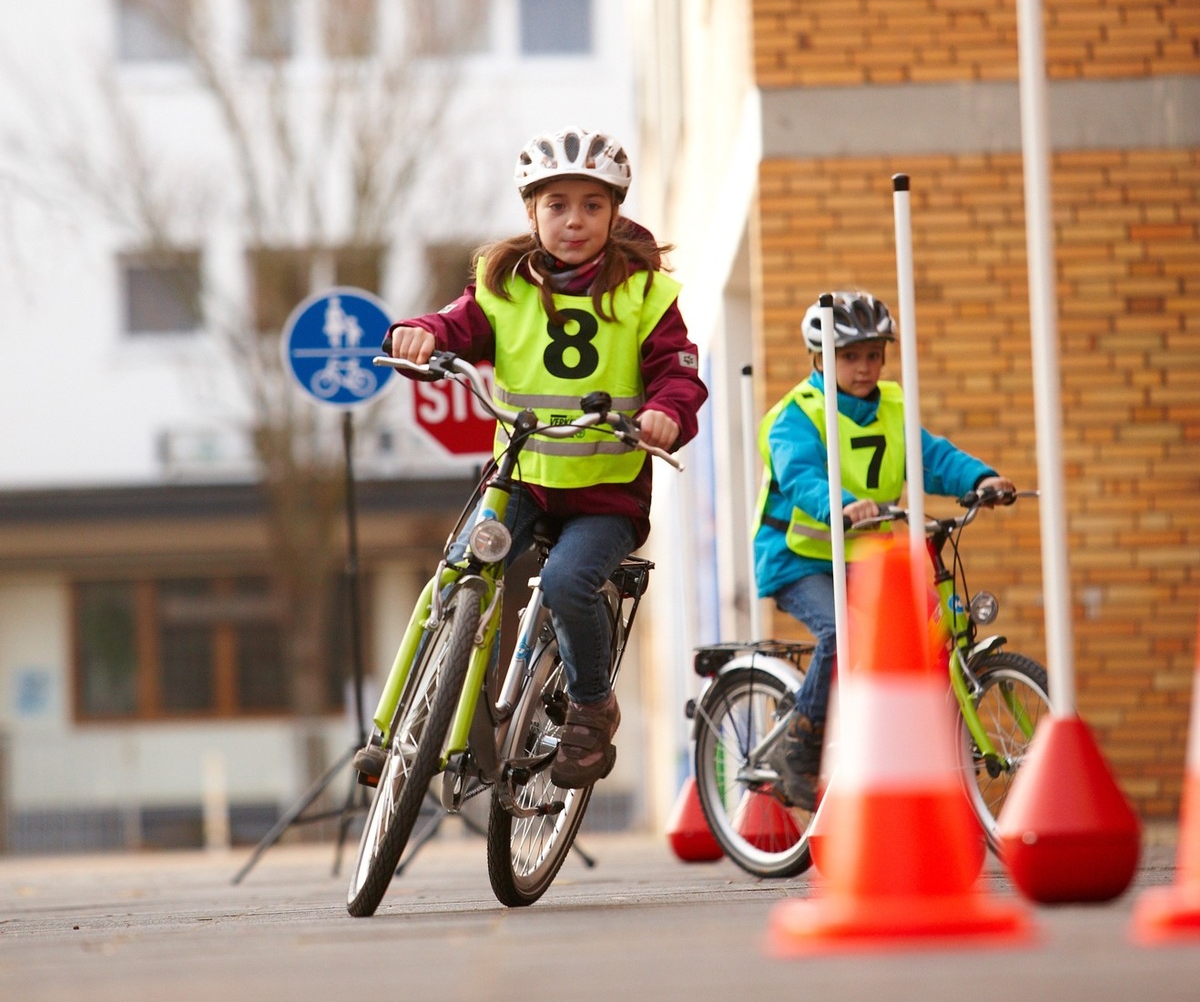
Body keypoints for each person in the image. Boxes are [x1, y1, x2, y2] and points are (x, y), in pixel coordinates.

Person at [356, 126, 707, 790]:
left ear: (614, 211)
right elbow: (457, 323)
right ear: (531, 213)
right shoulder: (504, 283)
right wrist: (422, 334)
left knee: (570, 583)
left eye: (592, 205)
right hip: (521, 479)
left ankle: (591, 704)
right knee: (460, 568)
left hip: (605, 492)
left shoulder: (646, 294)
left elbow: (678, 373)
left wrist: (666, 410)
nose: (574, 219)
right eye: (557, 205)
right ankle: (405, 721)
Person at [753, 290, 1014, 809]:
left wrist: (982, 478)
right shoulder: (796, 416)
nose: (865, 367)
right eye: (850, 356)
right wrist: (844, 505)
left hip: (861, 559)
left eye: (874, 354)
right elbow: (802, 476)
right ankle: (799, 750)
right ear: (820, 359)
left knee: (921, 633)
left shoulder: (891, 408)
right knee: (842, 634)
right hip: (797, 559)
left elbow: (932, 457)